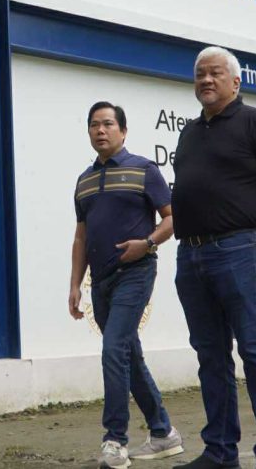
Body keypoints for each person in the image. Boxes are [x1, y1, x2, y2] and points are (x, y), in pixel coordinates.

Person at [170, 47, 256, 469]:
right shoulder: (189, 133)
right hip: (191, 256)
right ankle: (220, 453)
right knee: (210, 355)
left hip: (239, 250)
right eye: (200, 74)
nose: (206, 80)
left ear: (235, 82)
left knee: (255, 349)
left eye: (215, 73)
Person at [70, 101, 184, 468]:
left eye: (107, 124)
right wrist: (75, 285)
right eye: (94, 125)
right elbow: (81, 237)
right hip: (100, 280)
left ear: (123, 130)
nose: (100, 130)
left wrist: (147, 243)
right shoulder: (84, 181)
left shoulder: (144, 169)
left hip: (136, 272)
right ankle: (163, 433)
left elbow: (172, 219)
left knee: (113, 349)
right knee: (127, 354)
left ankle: (115, 440)